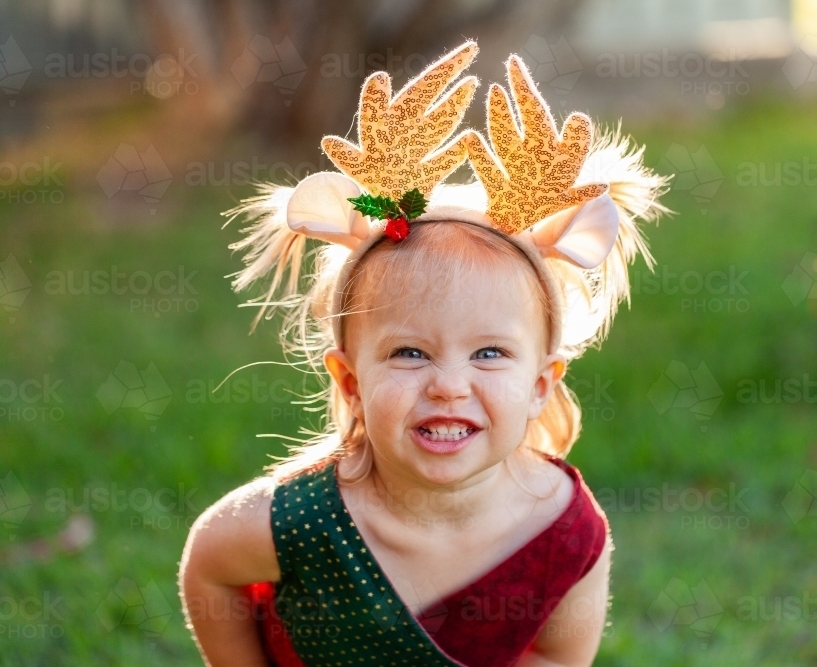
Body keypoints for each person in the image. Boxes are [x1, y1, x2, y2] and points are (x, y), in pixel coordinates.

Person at [178, 40, 667, 667]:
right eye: (409, 352)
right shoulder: (303, 523)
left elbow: (555, 655)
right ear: (351, 382)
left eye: (489, 353)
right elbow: (210, 565)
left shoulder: (563, 534)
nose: (448, 385)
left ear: (542, 385)